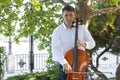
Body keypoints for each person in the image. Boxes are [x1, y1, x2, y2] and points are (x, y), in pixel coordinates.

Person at [52, 5, 95, 80]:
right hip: (66, 65)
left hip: (81, 64)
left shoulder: (82, 28)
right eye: (66, 15)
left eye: (71, 15)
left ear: (74, 15)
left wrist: (84, 43)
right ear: (62, 15)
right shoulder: (57, 31)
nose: (68, 18)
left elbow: (92, 43)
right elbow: (56, 51)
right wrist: (64, 63)